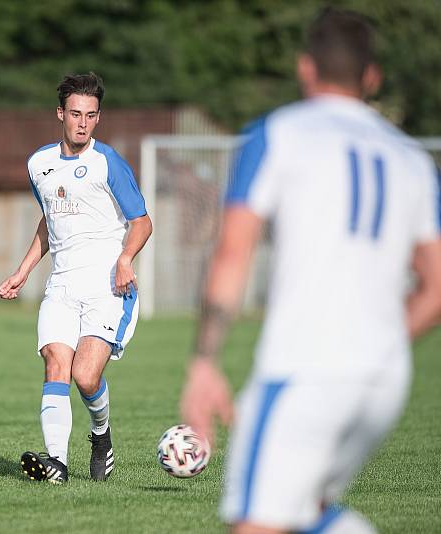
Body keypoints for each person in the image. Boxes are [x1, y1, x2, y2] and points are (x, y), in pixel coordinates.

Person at [179, 8, 441, 534]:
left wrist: (204, 361)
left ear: (306, 68)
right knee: (306, 514)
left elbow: (232, 253)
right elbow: (435, 285)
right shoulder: (412, 159)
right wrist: (383, 343)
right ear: (372, 77)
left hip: (303, 370)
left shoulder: (276, 135)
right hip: (385, 382)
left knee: (257, 524)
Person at [0, 72, 153, 484]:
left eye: (90, 115)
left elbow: (142, 222)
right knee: (55, 363)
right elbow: (49, 223)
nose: (82, 123)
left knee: (85, 375)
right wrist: (23, 270)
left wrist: (125, 258)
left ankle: (101, 435)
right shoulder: (39, 164)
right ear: (60, 114)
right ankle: (57, 464)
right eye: (74, 114)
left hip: (108, 287)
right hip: (62, 286)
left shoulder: (107, 163)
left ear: (98, 118)